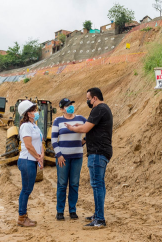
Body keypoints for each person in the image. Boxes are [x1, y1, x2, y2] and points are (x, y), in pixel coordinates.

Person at [65, 87, 113, 229]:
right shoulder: (104, 109)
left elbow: (85, 128)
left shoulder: (99, 109)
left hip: (97, 153)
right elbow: (92, 129)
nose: (88, 101)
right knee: (100, 185)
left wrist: (72, 128)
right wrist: (84, 139)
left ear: (94, 98)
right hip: (102, 151)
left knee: (97, 185)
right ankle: (98, 214)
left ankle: (99, 219)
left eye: (88, 98)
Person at [52, 98, 87, 221]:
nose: (70, 106)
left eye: (71, 104)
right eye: (67, 105)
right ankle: (60, 211)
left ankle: (72, 210)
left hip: (77, 157)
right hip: (63, 158)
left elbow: (90, 129)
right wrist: (59, 155)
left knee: (74, 184)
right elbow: (53, 140)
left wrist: (83, 142)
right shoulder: (58, 121)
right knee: (62, 184)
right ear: (62, 109)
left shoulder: (81, 119)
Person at [16, 100, 44, 227]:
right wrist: (38, 157)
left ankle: (24, 216)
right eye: (33, 110)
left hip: (32, 160)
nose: (35, 112)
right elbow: (28, 145)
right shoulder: (26, 126)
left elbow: (40, 142)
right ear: (27, 113)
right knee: (26, 190)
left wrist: (41, 155)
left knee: (28, 189)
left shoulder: (34, 125)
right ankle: (22, 218)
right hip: (27, 160)